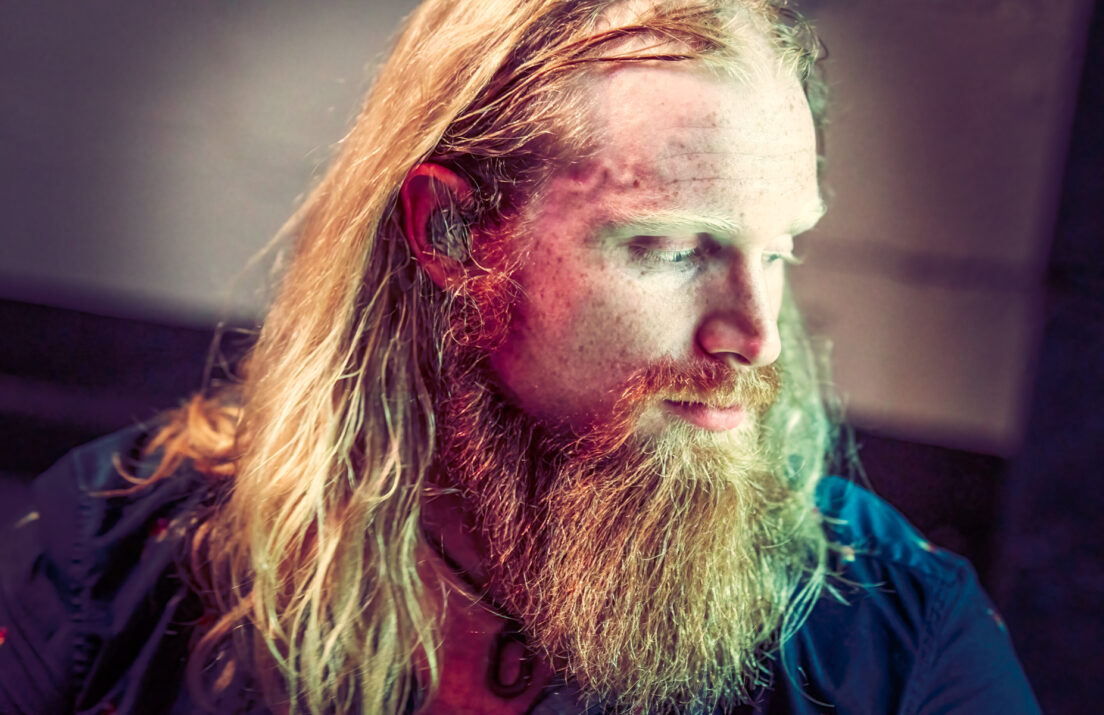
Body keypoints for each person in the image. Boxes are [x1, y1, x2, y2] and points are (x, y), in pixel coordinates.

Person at [0, 1, 1040, 713]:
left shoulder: (898, 634)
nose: (754, 333)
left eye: (779, 251)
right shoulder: (111, 552)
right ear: (451, 235)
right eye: (672, 247)